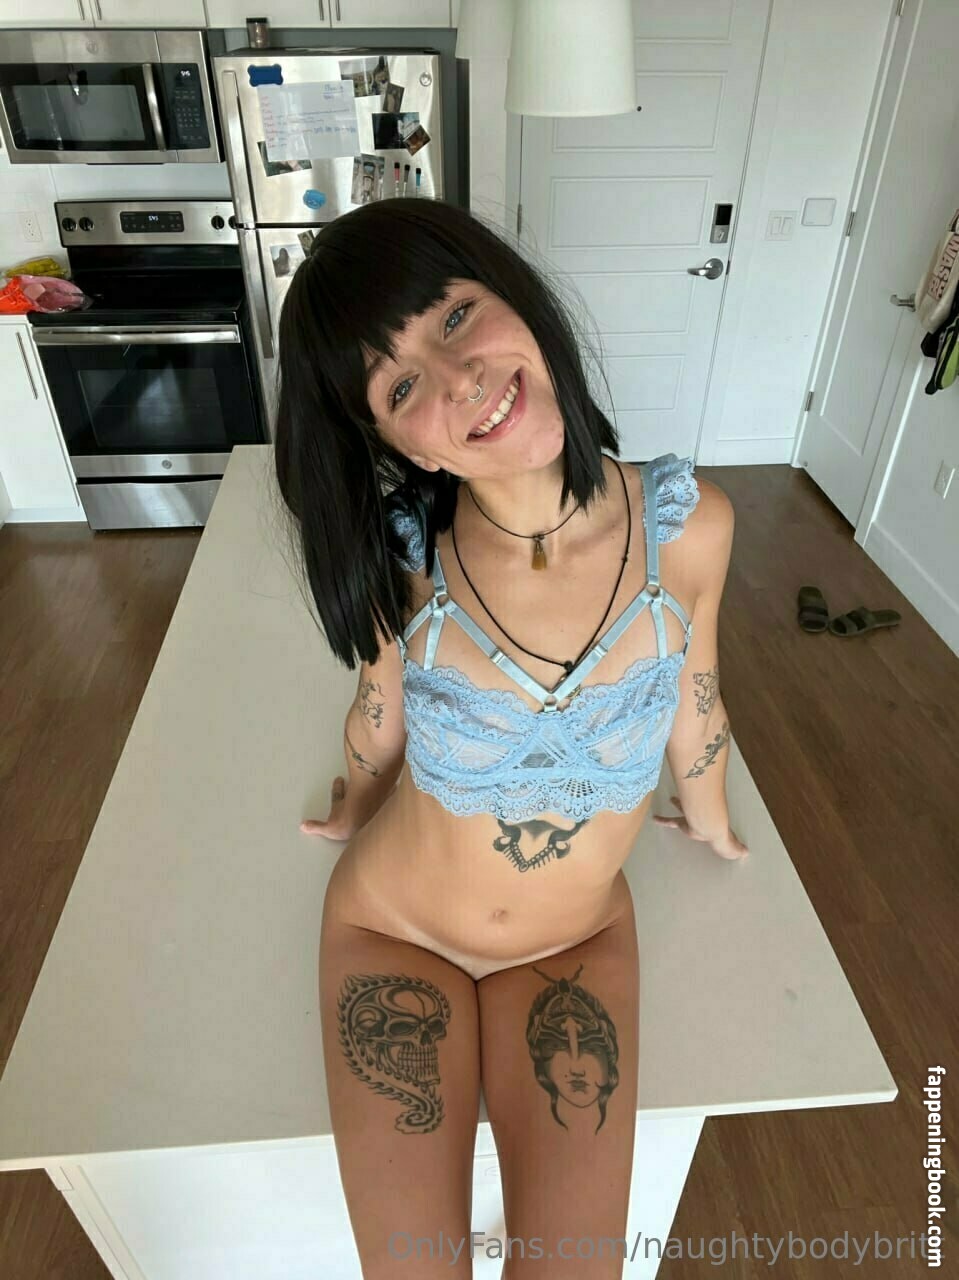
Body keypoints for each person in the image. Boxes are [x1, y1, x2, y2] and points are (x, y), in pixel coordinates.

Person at [273, 197, 748, 1279]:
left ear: (515, 296)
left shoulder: (688, 526)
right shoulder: (408, 560)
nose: (456, 381)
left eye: (453, 317)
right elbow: (379, 705)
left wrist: (711, 820)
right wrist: (354, 799)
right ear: (387, 439)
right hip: (394, 930)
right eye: (399, 388)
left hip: (573, 943)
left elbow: (696, 689)